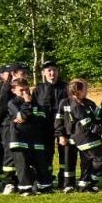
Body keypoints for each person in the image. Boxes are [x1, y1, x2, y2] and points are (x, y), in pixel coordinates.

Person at [0, 75, 46, 196]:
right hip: (19, 138)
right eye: (21, 90)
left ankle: (43, 186)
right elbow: (23, 116)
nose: (25, 93)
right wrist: (27, 104)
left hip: (34, 138)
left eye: (26, 89)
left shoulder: (36, 103)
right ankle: (25, 189)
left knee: (39, 163)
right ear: (13, 91)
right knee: (22, 164)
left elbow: (41, 118)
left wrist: (27, 116)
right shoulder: (12, 103)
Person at [62, 79, 102, 192]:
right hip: (85, 138)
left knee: (87, 163)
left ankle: (83, 185)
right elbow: (87, 123)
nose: (87, 91)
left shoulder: (88, 103)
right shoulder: (75, 106)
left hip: (91, 137)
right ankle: (90, 181)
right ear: (78, 91)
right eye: (85, 88)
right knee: (101, 159)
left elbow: (98, 113)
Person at [34, 61, 66, 191]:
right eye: (49, 71)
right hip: (45, 127)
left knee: (65, 151)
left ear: (58, 72)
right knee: (47, 153)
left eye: (54, 70)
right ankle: (47, 178)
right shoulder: (38, 89)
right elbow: (35, 108)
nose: (52, 73)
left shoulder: (65, 87)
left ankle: (64, 179)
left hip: (63, 126)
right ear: (43, 73)